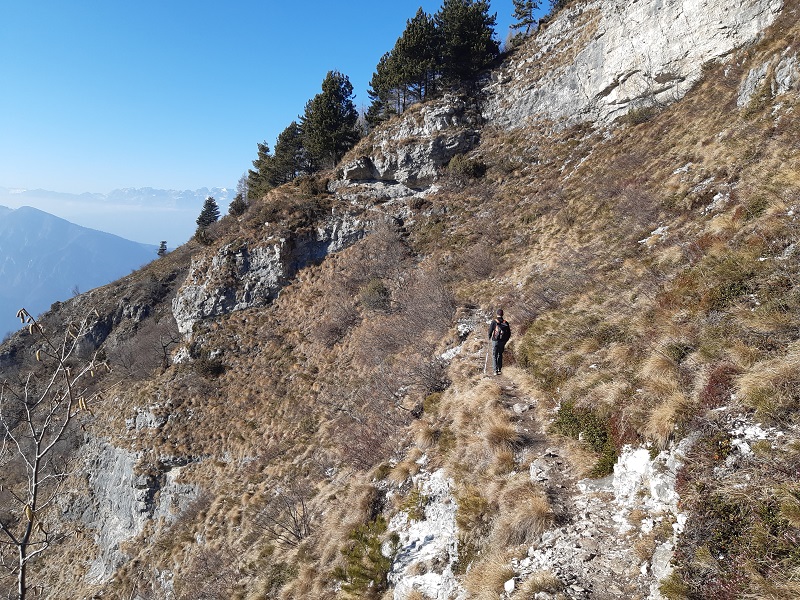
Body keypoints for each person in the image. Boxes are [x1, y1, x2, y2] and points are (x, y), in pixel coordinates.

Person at [488, 309, 511, 375]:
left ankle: (495, 371)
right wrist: (505, 340)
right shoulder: (505, 322)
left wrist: (489, 338)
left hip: (495, 340)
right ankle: (499, 369)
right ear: (502, 314)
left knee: (494, 355)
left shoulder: (494, 322)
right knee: (500, 354)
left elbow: (490, 331)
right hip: (502, 341)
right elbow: (509, 333)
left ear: (497, 314)